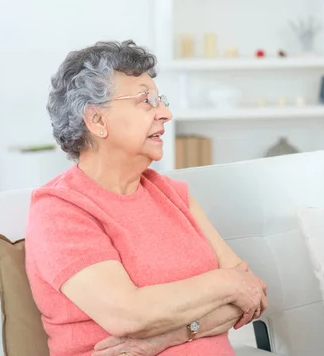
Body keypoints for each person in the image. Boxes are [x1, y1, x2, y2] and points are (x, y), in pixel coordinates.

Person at [25, 40, 268, 356]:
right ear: (97, 120)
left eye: (160, 100)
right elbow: (128, 315)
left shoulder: (170, 193)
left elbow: (252, 294)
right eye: (146, 101)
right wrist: (226, 283)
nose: (165, 113)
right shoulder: (60, 210)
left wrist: (166, 337)